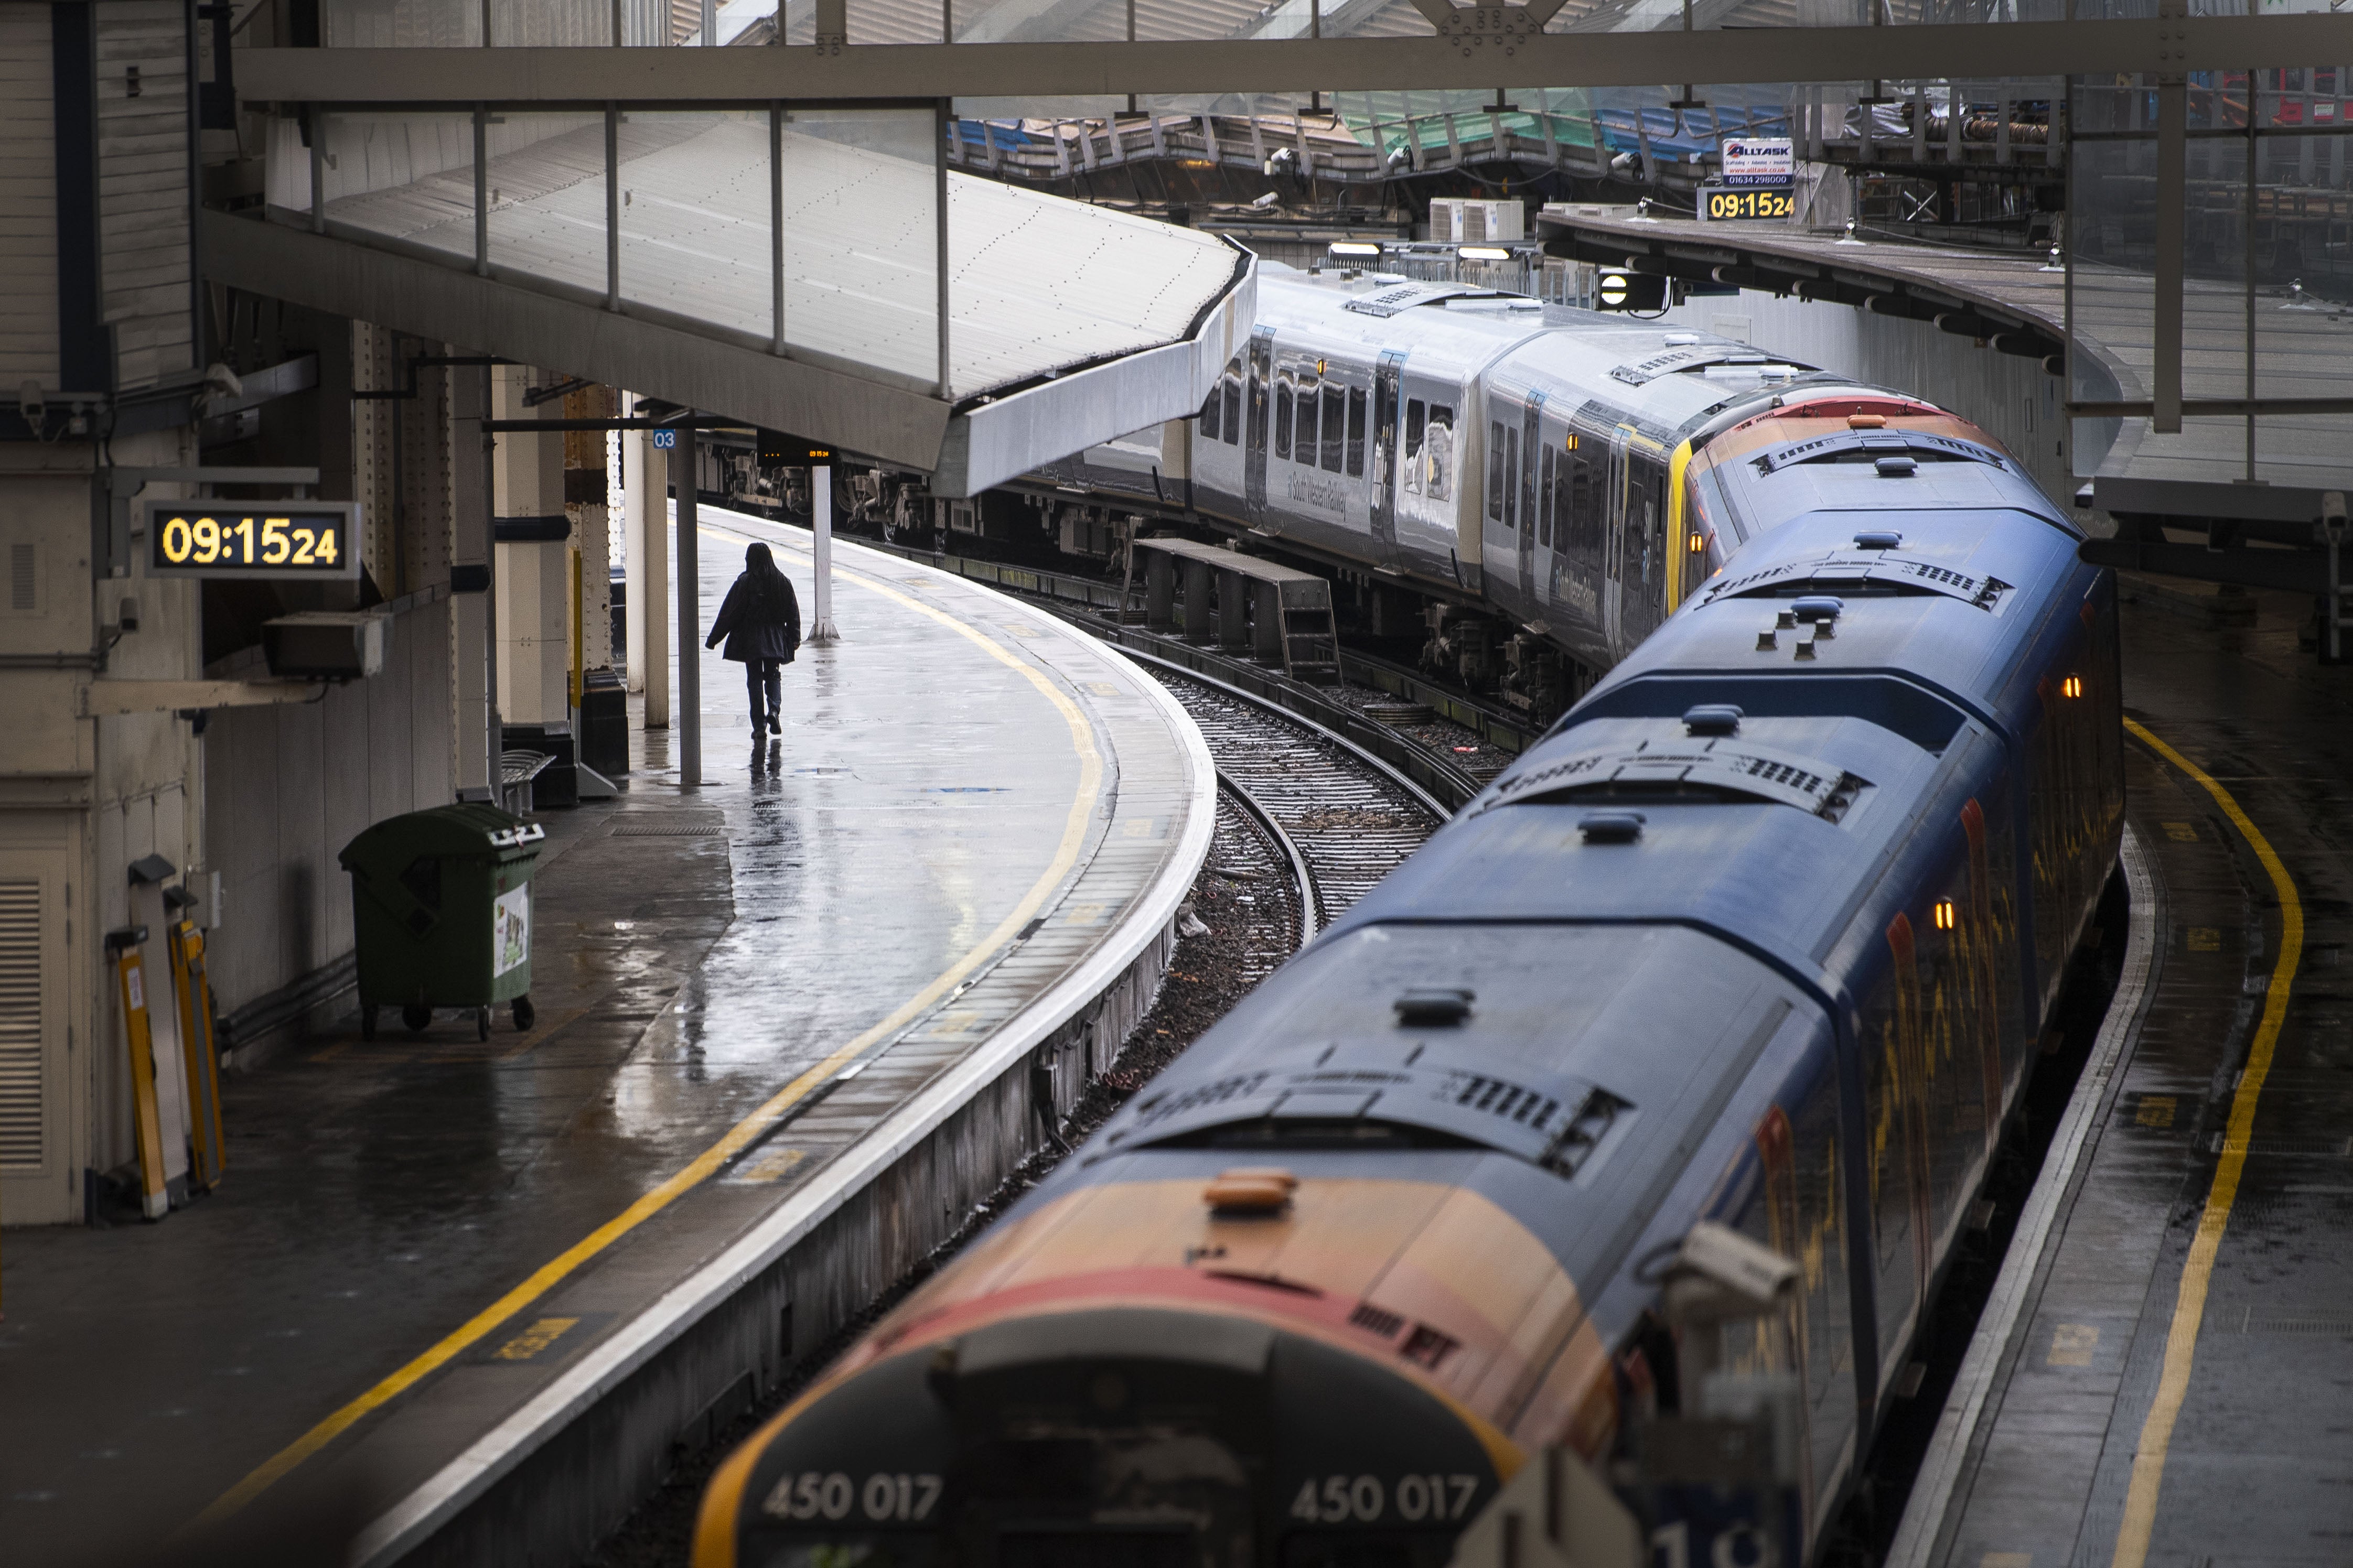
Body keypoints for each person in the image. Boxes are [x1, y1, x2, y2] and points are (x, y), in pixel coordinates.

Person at [706, 542, 801, 737]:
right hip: (775, 639)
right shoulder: (782, 581)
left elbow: (729, 613)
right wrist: (795, 637)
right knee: (774, 675)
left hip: (751, 641)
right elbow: (793, 612)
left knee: (755, 680)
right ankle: (774, 710)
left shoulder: (745, 582)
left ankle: (759, 726)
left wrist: (714, 638)